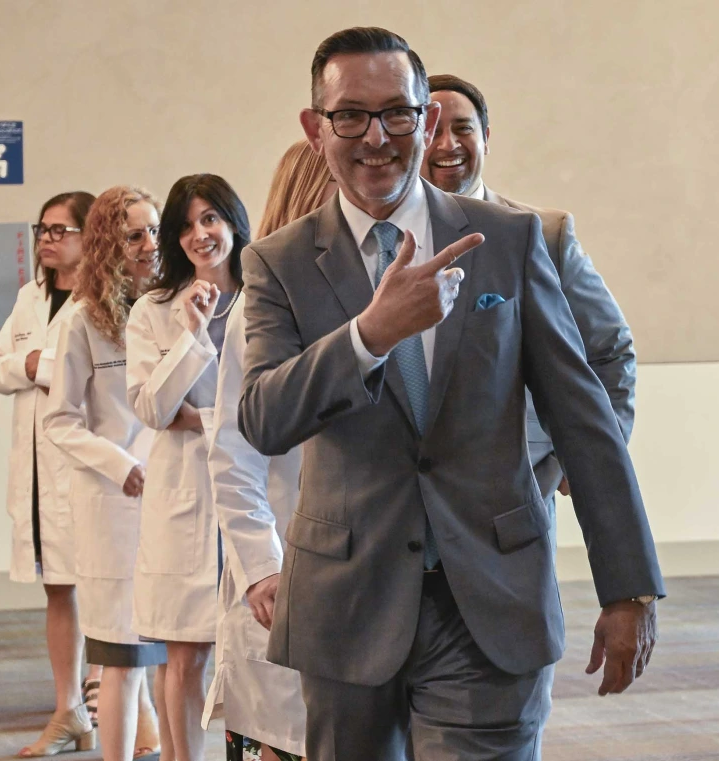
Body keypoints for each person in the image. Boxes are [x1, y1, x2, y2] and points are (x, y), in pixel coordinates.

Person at [237, 27, 665, 760]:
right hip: (347, 603)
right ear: (316, 130)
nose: (377, 137)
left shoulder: (511, 238)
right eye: (351, 116)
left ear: (425, 120)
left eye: (397, 113)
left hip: (491, 597)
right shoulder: (277, 263)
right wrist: (368, 334)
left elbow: (583, 415)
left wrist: (628, 587)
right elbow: (265, 416)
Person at [421, 73, 636, 521]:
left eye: (462, 128)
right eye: (432, 131)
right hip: (408, 498)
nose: (447, 145)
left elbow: (609, 348)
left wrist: (587, 460)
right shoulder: (389, 241)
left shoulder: (543, 233)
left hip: (518, 496)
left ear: (486, 137)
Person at [205, 142, 334, 761]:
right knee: (284, 737)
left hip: (354, 565)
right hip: (282, 560)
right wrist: (260, 563)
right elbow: (233, 452)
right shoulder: (260, 305)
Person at [126, 174, 250, 761]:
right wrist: (192, 334)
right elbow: (153, 406)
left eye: (211, 219)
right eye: (187, 224)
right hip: (185, 497)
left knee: (255, 647)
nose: (201, 234)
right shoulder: (153, 311)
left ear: (232, 223)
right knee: (186, 652)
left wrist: (201, 417)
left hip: (253, 493)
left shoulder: (266, 297)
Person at [43, 186, 168, 761]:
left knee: (169, 646)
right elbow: (61, 421)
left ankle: (158, 743)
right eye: (135, 234)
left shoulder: (169, 306)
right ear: (106, 244)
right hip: (115, 499)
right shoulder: (80, 321)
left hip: (173, 494)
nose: (150, 245)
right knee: (122, 650)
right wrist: (122, 466)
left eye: (154, 231)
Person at [0, 192, 107, 755]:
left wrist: (44, 368)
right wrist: (28, 365)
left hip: (87, 465)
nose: (48, 238)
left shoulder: (108, 300)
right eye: (44, 228)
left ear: (89, 237)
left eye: (62, 229)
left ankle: (117, 702)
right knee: (58, 586)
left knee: (104, 585)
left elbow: (102, 378)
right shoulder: (28, 298)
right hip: (38, 470)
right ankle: (70, 710)